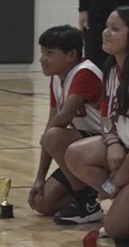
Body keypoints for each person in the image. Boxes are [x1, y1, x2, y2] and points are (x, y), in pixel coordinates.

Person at [64, 7, 129, 239]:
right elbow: (105, 114)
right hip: (124, 148)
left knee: (116, 229)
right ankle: (123, 199)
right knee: (74, 154)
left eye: (115, 29)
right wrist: (111, 141)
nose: (106, 33)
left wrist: (125, 171)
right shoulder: (112, 66)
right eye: (106, 27)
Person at [31, 25, 104, 219]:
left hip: (107, 142)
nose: (42, 59)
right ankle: (87, 197)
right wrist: (39, 178)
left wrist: (49, 137)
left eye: (50, 53)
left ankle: (86, 201)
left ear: (71, 55)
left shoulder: (85, 72)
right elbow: (50, 125)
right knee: (43, 203)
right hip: (84, 146)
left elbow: (61, 121)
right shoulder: (57, 79)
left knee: (54, 135)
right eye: (42, 53)